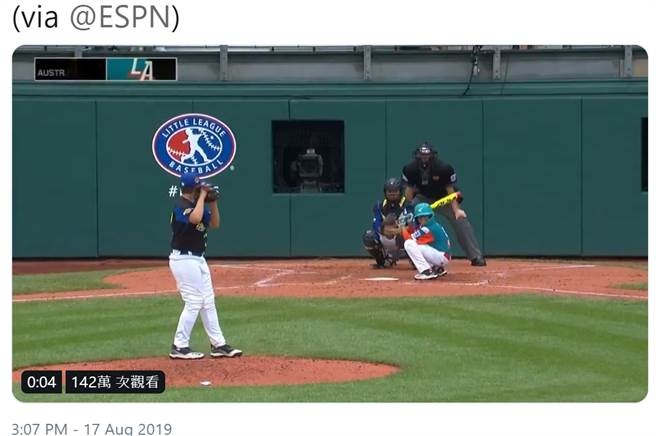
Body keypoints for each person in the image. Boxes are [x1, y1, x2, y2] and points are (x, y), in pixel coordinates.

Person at [168, 172, 242, 359]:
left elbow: (215, 223)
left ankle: (218, 344)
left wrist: (213, 202)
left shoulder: (197, 206)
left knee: (208, 301)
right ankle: (179, 346)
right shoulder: (181, 206)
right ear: (193, 189)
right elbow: (194, 219)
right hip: (183, 259)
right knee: (194, 301)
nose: (201, 190)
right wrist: (202, 197)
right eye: (198, 188)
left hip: (198, 259)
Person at [402, 142, 486, 266]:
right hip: (422, 198)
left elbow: (451, 191)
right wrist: (407, 210)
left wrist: (456, 210)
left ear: (433, 156)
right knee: (408, 220)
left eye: (427, 155)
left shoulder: (443, 168)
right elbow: (408, 192)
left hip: (444, 198)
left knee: (460, 220)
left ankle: (475, 255)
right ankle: (416, 256)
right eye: (422, 155)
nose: (424, 158)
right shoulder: (410, 169)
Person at [362, 177, 412, 268]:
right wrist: (383, 229)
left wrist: (401, 230)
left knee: (411, 236)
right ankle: (383, 261)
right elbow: (375, 224)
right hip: (386, 236)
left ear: (400, 191)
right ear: (385, 192)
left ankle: (414, 260)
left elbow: (414, 226)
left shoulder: (408, 205)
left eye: (395, 191)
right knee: (369, 236)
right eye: (389, 191)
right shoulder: (379, 205)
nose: (392, 193)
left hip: (403, 237)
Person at [403, 203, 451, 280]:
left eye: (425, 216)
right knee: (418, 245)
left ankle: (426, 271)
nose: (423, 219)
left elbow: (409, 238)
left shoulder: (427, 228)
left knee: (408, 244)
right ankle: (437, 268)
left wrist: (402, 229)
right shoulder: (434, 225)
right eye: (420, 217)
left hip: (441, 257)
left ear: (430, 216)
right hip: (442, 255)